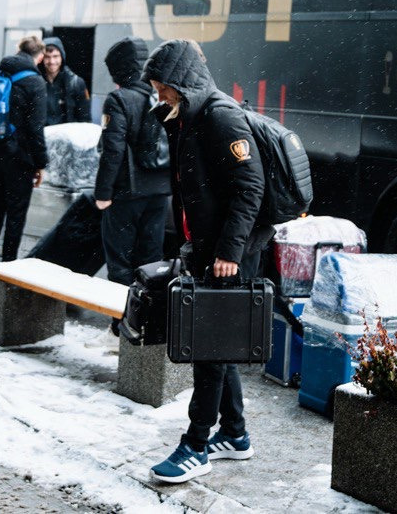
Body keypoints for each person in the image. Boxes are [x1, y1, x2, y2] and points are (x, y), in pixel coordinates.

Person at [143, 39, 267, 484]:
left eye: (162, 87)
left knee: (209, 349)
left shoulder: (220, 116)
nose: (159, 95)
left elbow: (250, 188)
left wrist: (229, 253)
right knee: (219, 342)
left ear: (180, 81)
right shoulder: (190, 115)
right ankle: (234, 433)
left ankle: (195, 446)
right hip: (208, 250)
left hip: (229, 254)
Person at [94, 37, 170, 285]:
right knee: (151, 260)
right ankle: (146, 306)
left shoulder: (119, 99)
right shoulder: (162, 94)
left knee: (120, 262)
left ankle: (120, 308)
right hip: (159, 191)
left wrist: (103, 193)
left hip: (128, 191)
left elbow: (112, 151)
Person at [0, 37, 48, 262]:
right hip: (20, 159)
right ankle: (8, 263)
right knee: (15, 215)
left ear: (18, 50)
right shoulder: (35, 82)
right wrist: (41, 163)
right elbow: (35, 128)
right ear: (40, 57)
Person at [40, 36, 91, 125]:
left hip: (67, 133)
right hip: (43, 133)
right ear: (42, 58)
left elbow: (85, 118)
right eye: (47, 57)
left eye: (55, 56)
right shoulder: (36, 82)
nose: (52, 61)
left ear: (62, 57)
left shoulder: (76, 83)